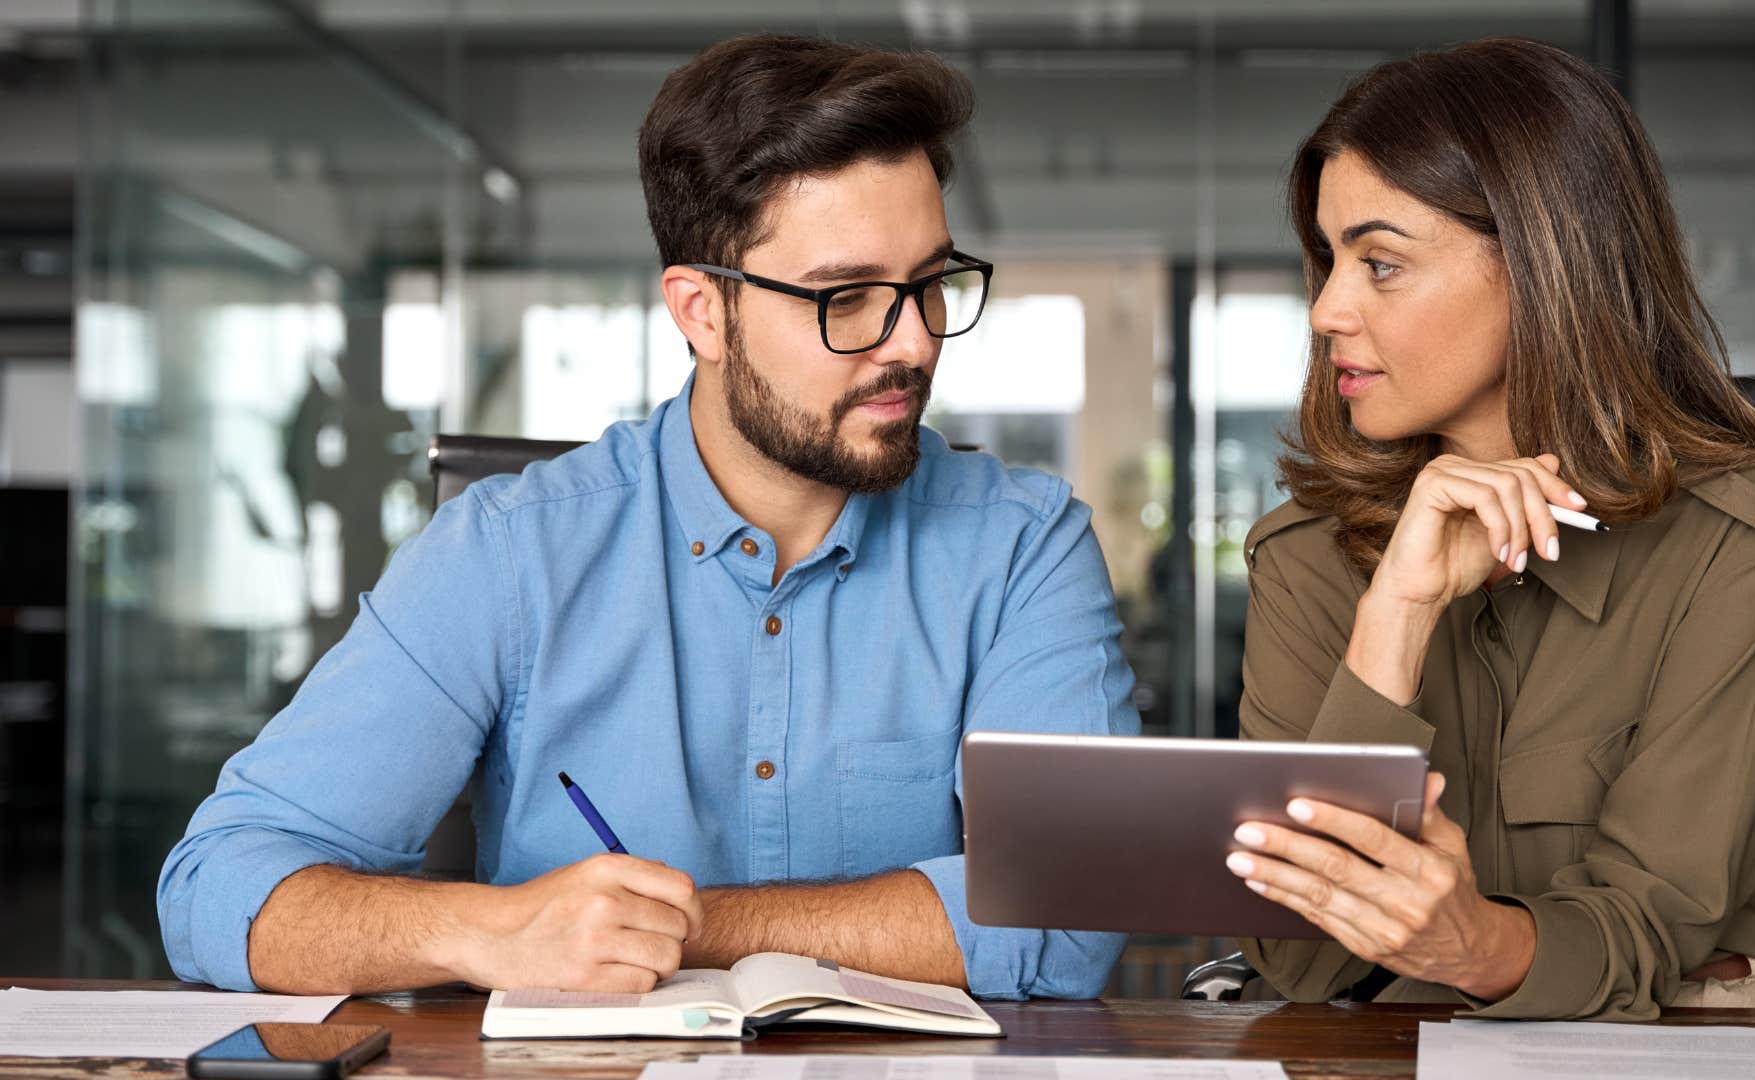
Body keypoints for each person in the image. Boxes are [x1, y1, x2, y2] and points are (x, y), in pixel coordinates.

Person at [157, 33, 1136, 1000]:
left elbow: (1073, 906)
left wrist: (685, 927)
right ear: (702, 312)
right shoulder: (509, 553)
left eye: (929, 284)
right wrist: (494, 931)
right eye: (849, 297)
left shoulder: (1021, 545)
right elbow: (221, 890)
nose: (913, 341)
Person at [1223, 38, 1755, 1021]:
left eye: (1380, 264)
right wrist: (1396, 613)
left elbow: (1658, 921)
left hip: (1729, 1015)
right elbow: (1300, 963)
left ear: (1540, 261)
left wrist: (1473, 944)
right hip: (1416, 1024)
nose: (1325, 310)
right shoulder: (1306, 553)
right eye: (1327, 260)